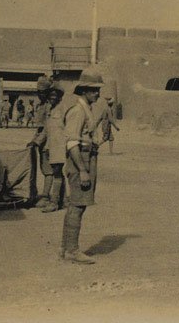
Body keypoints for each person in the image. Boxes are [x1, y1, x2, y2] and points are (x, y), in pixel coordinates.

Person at [59, 69, 103, 264]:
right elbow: (72, 144)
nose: (97, 94)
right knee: (77, 205)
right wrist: (83, 171)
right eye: (93, 90)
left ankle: (66, 248)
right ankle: (72, 250)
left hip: (87, 157)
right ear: (84, 90)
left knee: (77, 205)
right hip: (80, 161)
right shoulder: (78, 111)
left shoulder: (86, 109)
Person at [27, 76, 65, 212]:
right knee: (48, 170)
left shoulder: (55, 107)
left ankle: (52, 199)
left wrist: (36, 141)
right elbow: (42, 128)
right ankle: (53, 197)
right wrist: (35, 141)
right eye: (38, 91)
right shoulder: (44, 107)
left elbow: (48, 129)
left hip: (54, 144)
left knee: (54, 172)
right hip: (46, 144)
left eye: (42, 92)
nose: (40, 94)